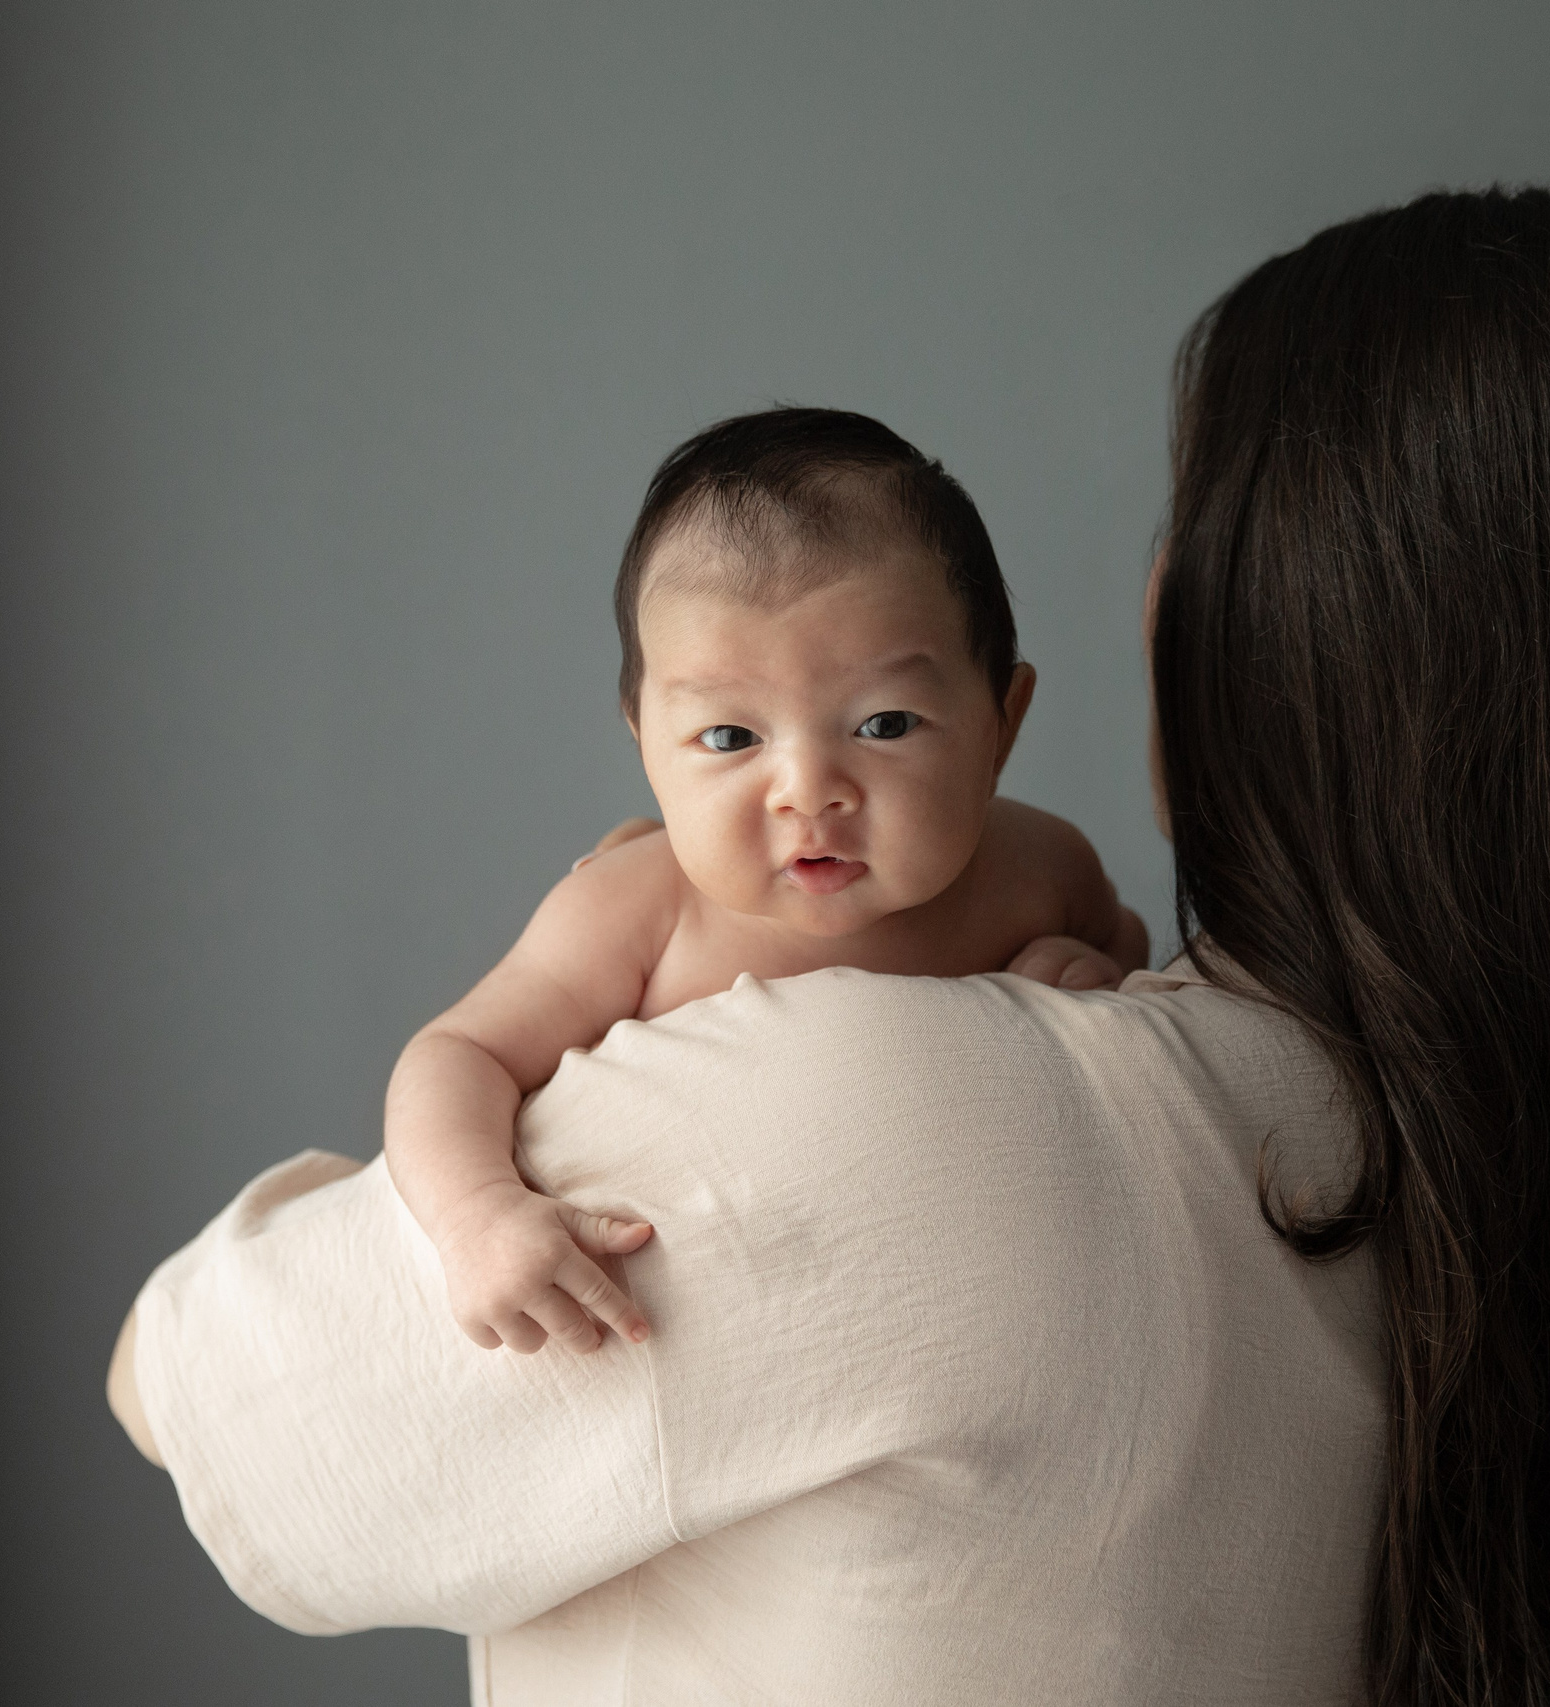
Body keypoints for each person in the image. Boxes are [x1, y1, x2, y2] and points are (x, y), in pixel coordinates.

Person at [111, 187, 1550, 1705]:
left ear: (1184, 646)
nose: (800, 790)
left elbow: (206, 1407)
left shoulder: (884, 1100)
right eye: (725, 731)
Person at [382, 407, 1149, 1361]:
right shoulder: (642, 906)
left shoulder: (1041, 870)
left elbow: (1127, 950)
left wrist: (1095, 967)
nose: (808, 792)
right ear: (647, 748)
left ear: (1003, 720)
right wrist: (478, 1215)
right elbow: (458, 1053)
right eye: (731, 738)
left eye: (885, 724)